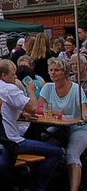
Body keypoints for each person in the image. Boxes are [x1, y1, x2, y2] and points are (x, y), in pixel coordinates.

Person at [0, 59, 63, 191]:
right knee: (57, 152)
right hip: (14, 141)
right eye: (13, 74)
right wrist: (30, 90)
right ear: (4, 76)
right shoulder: (10, 89)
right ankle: (35, 187)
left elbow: (4, 111)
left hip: (0, 139)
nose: (16, 77)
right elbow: (34, 108)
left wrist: (23, 115)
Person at [39, 57, 87, 191]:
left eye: (57, 70)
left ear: (65, 72)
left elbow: (84, 111)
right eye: (51, 70)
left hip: (78, 128)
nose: (53, 73)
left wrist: (84, 116)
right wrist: (57, 113)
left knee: (72, 153)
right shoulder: (47, 88)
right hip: (56, 127)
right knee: (44, 145)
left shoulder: (76, 89)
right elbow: (39, 109)